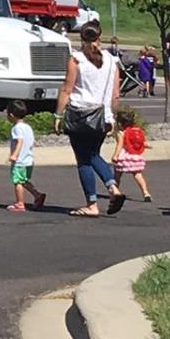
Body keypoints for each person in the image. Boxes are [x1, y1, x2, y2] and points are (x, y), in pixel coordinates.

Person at [55, 22, 125, 216]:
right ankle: (112, 187)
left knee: (84, 160)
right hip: (101, 116)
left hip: (79, 115)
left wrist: (58, 115)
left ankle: (92, 203)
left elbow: (67, 89)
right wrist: (113, 117)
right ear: (99, 37)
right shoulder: (112, 61)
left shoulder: (76, 59)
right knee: (94, 154)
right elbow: (115, 94)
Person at [4, 102, 47, 213]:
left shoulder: (16, 128)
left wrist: (14, 155)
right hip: (28, 160)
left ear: (12, 115)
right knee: (24, 181)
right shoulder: (27, 127)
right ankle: (37, 195)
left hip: (20, 161)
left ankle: (19, 203)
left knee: (17, 182)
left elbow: (20, 141)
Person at [112, 120, 153, 204]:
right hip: (134, 156)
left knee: (117, 175)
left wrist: (115, 155)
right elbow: (140, 142)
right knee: (138, 175)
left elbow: (119, 145)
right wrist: (146, 145)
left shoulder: (121, 133)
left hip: (124, 156)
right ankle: (146, 193)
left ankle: (115, 192)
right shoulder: (135, 131)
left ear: (120, 123)